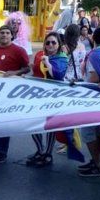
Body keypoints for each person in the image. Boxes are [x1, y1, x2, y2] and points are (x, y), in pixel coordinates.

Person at [0, 25, 30, 164]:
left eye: (7, 33)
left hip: (10, 92)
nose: (4, 35)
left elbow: (27, 68)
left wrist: (14, 73)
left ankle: (2, 151)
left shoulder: (19, 50)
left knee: (4, 121)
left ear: (11, 36)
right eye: (2, 33)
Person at [27, 32, 69, 167]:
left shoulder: (62, 58)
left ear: (58, 45)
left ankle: (48, 154)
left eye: (53, 42)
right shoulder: (39, 55)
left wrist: (48, 63)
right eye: (48, 42)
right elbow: (35, 73)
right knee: (32, 124)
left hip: (53, 96)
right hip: (38, 94)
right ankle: (40, 150)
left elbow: (59, 75)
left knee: (50, 126)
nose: (50, 45)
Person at [78, 27, 100, 177]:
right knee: (97, 131)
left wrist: (81, 83)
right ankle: (96, 160)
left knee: (87, 131)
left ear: (93, 38)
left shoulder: (94, 55)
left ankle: (98, 164)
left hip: (92, 96)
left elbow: (94, 77)